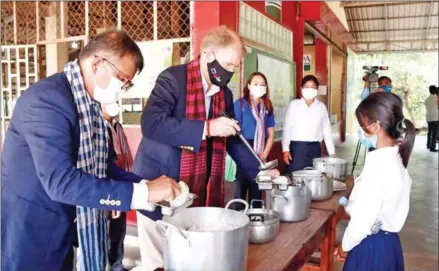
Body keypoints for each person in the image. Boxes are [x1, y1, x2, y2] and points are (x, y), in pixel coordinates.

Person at [1, 30, 181, 271]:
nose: (122, 89)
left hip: (64, 231)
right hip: (29, 232)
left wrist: (151, 186)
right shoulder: (47, 101)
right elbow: (61, 182)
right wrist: (144, 193)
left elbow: (101, 168)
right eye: (121, 79)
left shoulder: (89, 106)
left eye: (128, 84)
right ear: (97, 64)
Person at [132, 25, 279, 270]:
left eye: (235, 66)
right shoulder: (173, 79)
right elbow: (152, 124)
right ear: (209, 55)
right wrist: (207, 128)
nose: (231, 72)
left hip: (198, 194)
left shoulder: (224, 95)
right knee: (160, 264)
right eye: (229, 65)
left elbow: (232, 137)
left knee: (192, 260)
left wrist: (260, 171)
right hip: (160, 192)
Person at [338, 92, 415, 271]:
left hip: (370, 247)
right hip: (389, 245)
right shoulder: (396, 158)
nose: (362, 132)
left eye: (363, 126)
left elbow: (363, 220)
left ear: (376, 126)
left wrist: (344, 247)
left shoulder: (379, 166)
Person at [234, 72, 275, 207]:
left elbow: (271, 135)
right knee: (241, 188)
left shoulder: (267, 107)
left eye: (263, 84)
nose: (259, 87)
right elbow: (235, 133)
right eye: (256, 84)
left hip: (260, 150)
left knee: (257, 189)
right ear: (249, 86)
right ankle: (238, 217)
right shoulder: (240, 105)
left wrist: (264, 154)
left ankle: (256, 220)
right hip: (243, 148)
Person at [282, 75, 336, 173]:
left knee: (313, 178)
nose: (310, 90)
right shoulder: (294, 105)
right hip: (297, 149)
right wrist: (285, 149)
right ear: (301, 89)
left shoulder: (321, 107)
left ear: (317, 90)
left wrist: (332, 153)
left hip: (315, 148)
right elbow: (287, 127)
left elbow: (326, 130)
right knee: (296, 178)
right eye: (306, 87)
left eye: (313, 87)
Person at [103, 106, 133, 271]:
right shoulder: (99, 126)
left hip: (122, 184)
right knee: (108, 232)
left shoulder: (116, 126)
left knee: (119, 231)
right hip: (109, 189)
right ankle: (110, 266)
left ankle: (117, 265)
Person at [425, 85, 438, 152]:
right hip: (435, 117)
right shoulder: (436, 98)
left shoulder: (427, 99)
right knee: (435, 133)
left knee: (430, 132)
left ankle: (428, 145)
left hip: (429, 117)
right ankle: (432, 148)